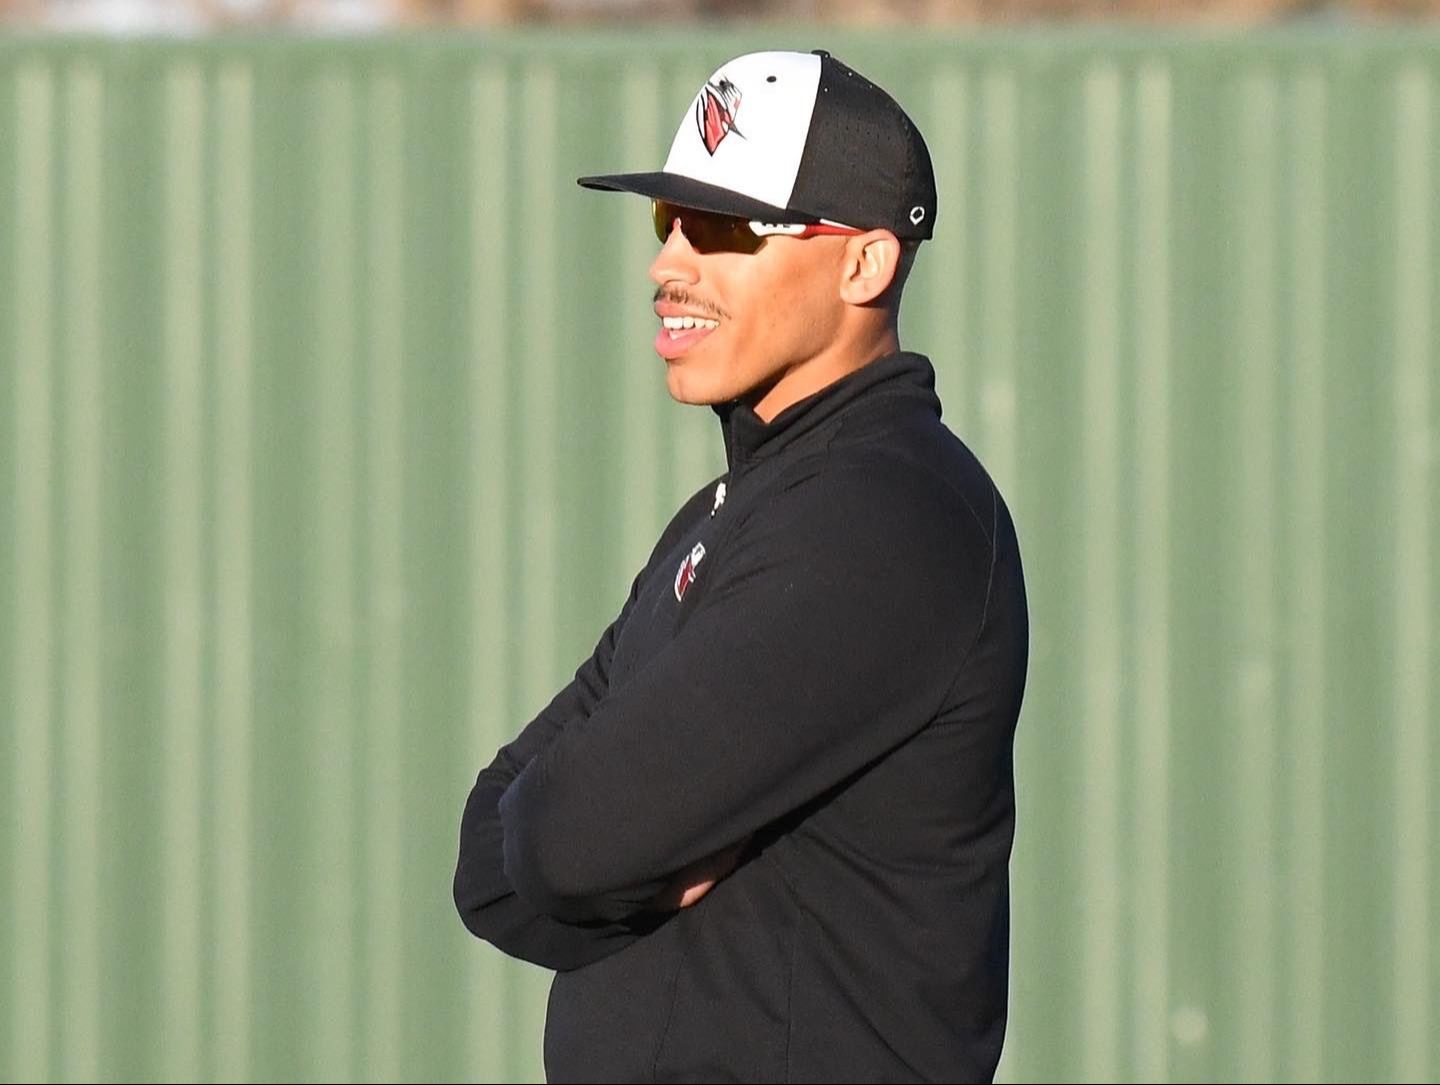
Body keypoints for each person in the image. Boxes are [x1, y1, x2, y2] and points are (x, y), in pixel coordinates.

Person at [454, 48, 1028, 1083]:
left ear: (865, 264)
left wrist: (598, 856)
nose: (669, 264)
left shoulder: (886, 513)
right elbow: (491, 858)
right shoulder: (733, 516)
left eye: (724, 228)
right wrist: (622, 860)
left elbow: (566, 839)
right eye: (668, 219)